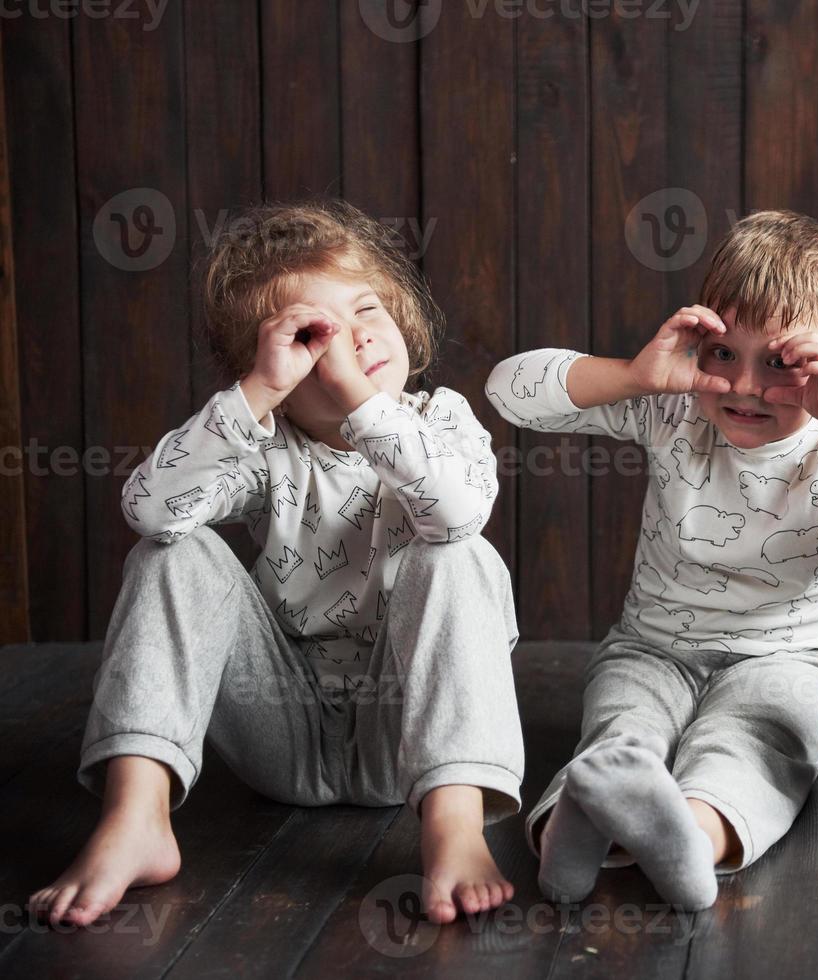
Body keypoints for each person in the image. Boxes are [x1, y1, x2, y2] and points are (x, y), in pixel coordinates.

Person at [29, 200, 522, 927]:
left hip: (411, 738)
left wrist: (359, 399)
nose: (356, 340)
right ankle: (136, 816)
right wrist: (255, 397)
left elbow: (453, 513)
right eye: (319, 335)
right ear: (278, 363)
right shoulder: (265, 448)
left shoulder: (442, 420)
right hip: (283, 731)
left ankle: (453, 828)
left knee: (460, 554)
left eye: (368, 311)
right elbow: (149, 510)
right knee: (173, 552)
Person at [485, 210, 818, 910]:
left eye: (781, 364)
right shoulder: (676, 407)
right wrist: (632, 375)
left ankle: (692, 836)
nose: (743, 387)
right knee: (621, 727)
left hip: (786, 662)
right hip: (652, 647)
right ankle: (572, 830)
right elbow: (508, 392)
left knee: (757, 747)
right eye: (723, 354)